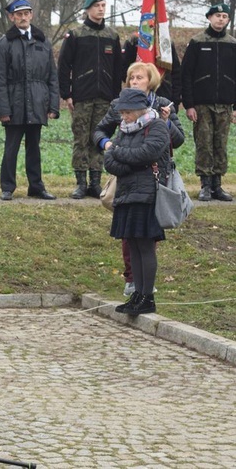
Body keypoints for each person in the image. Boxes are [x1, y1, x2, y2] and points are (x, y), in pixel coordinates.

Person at [94, 62, 185, 297]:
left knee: (145, 240)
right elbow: (104, 142)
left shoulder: (163, 108)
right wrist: (108, 145)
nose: (134, 81)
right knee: (131, 238)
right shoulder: (119, 107)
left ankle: (145, 291)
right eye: (131, 78)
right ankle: (133, 282)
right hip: (126, 185)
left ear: (151, 81)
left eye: (139, 78)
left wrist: (165, 123)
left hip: (152, 182)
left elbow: (169, 143)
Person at [103, 88, 170, 316]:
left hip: (147, 195)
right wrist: (128, 159)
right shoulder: (123, 130)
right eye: (122, 113)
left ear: (139, 110)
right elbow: (110, 161)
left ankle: (147, 296)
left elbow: (147, 154)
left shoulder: (157, 126)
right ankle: (136, 294)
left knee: (145, 245)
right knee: (132, 244)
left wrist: (121, 154)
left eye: (127, 112)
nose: (123, 117)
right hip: (126, 194)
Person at [0, 0, 59, 201]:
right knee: (11, 147)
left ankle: (36, 186)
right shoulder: (3, 44)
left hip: (38, 103)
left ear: (31, 15)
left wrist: (53, 105)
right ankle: (7, 187)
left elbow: (52, 77)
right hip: (14, 104)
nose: (23, 17)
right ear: (12, 17)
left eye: (26, 13)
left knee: (34, 148)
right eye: (18, 14)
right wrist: (3, 110)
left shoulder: (43, 42)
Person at [59, 0, 123, 200]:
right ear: (88, 9)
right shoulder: (76, 35)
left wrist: (116, 97)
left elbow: (117, 69)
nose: (101, 9)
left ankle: (95, 182)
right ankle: (80, 183)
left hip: (105, 97)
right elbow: (64, 65)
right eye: (97, 6)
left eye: (104, 5)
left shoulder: (112, 36)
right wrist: (66, 93)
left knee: (99, 138)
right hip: (82, 97)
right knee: (81, 138)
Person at [181, 2, 236, 202]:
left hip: (225, 103)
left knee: (220, 143)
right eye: (217, 15)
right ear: (209, 18)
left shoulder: (232, 43)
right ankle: (204, 184)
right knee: (204, 143)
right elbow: (186, 74)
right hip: (202, 104)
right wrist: (189, 104)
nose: (221, 19)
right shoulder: (197, 42)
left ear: (228, 19)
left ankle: (217, 185)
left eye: (224, 16)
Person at [121, 33, 181, 111]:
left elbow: (176, 74)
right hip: (136, 100)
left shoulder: (166, 42)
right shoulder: (134, 41)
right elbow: (124, 71)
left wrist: (175, 101)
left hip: (165, 97)